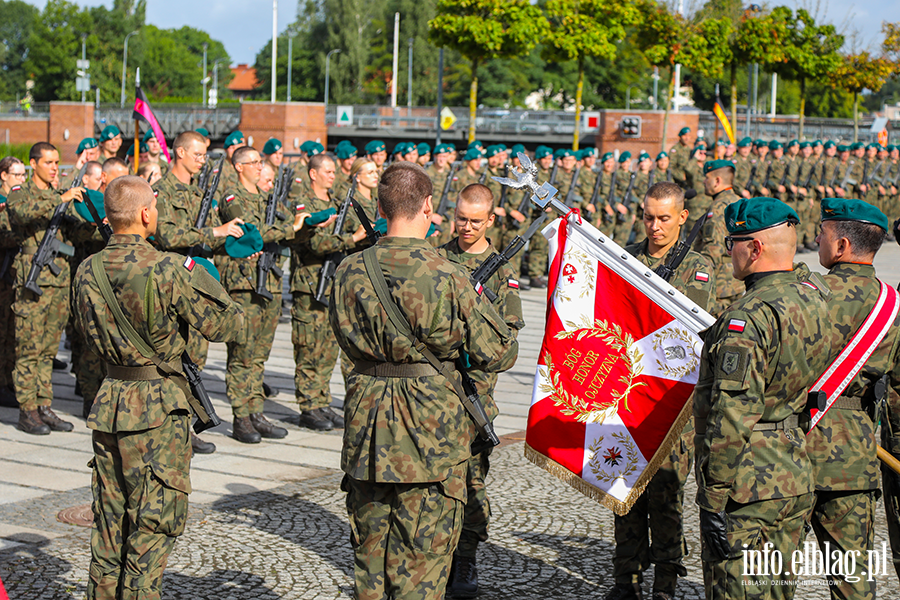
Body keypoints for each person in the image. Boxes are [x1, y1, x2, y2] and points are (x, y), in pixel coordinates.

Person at [330, 161, 518, 600]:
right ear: (430, 207)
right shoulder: (448, 274)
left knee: (370, 567)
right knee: (421, 570)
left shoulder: (349, 271)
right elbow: (500, 353)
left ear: (380, 207)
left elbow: (343, 338)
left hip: (368, 430)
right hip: (430, 436)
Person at [72, 175, 243, 599]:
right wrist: (205, 278)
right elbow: (229, 324)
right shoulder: (167, 268)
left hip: (110, 399)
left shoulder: (86, 270)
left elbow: (83, 333)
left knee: (110, 523)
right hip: (157, 408)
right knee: (152, 524)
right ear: (146, 214)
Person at [694, 197, 834, 600]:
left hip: (748, 483)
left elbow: (733, 414)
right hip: (793, 472)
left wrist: (712, 498)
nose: (727, 253)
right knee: (776, 591)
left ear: (753, 249)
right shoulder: (812, 297)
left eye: (732, 243)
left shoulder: (749, 316)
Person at [604, 182, 714, 600]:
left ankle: (666, 583)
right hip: (627, 398)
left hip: (673, 404)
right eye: (648, 217)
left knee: (666, 498)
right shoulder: (627, 258)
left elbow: (687, 329)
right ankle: (625, 578)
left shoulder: (697, 266)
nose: (654, 226)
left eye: (664, 218)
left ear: (682, 217)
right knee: (623, 494)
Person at [807, 197, 900, 599]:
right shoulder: (892, 307)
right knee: (851, 578)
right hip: (854, 455)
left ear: (841, 245)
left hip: (789, 446)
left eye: (822, 233)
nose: (816, 239)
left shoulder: (806, 293)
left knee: (768, 575)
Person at [438, 183, 525, 598]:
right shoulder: (436, 257)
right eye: (460, 218)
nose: (466, 227)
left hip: (476, 392)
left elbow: (509, 339)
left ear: (491, 220)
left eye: (476, 221)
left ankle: (466, 557)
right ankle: (433, 556)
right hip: (435, 388)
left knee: (472, 477)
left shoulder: (502, 269)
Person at [153, 131, 246, 454]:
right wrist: (213, 231)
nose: (202, 160)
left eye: (204, 155)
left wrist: (232, 236)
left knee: (195, 359)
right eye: (197, 154)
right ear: (179, 153)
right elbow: (165, 234)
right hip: (171, 284)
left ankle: (185, 424)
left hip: (195, 284)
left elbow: (203, 241)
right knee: (173, 360)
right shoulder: (161, 191)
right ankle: (174, 429)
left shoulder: (198, 193)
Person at [218, 145, 314, 443]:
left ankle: (256, 410)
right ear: (239, 167)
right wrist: (289, 227)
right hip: (244, 283)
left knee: (260, 354)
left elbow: (293, 224)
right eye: (255, 162)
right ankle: (240, 416)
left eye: (261, 162)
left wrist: (303, 222)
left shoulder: (265, 198)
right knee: (242, 354)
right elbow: (251, 232)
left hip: (269, 281)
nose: (261, 166)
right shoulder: (232, 198)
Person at [7, 142, 95, 435]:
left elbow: (74, 233)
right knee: (28, 349)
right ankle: (27, 410)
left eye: (57, 162)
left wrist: (96, 223)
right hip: (32, 282)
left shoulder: (61, 197)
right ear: (34, 164)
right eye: (49, 162)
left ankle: (44, 406)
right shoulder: (22, 193)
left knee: (47, 349)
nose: (55, 167)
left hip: (58, 284)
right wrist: (60, 198)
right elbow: (20, 214)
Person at [289, 153, 367, 431]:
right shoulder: (304, 205)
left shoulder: (336, 202)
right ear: (313, 174)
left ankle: (322, 401)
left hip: (332, 284)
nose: (333, 176)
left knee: (327, 349)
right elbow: (316, 244)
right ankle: (308, 406)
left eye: (335, 171)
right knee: (309, 347)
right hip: (310, 285)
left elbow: (348, 233)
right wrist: (352, 238)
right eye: (329, 171)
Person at [696, 160, 743, 317]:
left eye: (707, 178)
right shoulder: (739, 202)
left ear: (717, 181)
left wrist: (698, 278)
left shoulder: (718, 207)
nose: (704, 181)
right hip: (736, 280)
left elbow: (713, 248)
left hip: (720, 285)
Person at [0, 157, 25, 408]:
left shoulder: (18, 203)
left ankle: (8, 379)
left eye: (23, 175)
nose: (21, 180)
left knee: (10, 332)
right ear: (3, 176)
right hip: (2, 277)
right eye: (16, 175)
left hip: (12, 278)